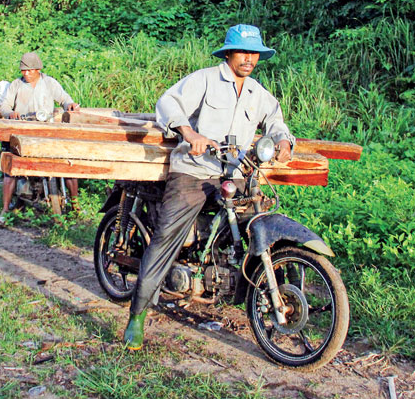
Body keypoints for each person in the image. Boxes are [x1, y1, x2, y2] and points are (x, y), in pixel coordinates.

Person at [123, 25, 294, 349]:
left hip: (234, 173)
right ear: (228, 53)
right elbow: (168, 104)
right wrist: (190, 134)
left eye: (254, 52)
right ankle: (137, 314)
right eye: (243, 52)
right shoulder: (204, 80)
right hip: (194, 171)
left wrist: (283, 139)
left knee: (256, 220)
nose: (249, 58)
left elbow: (275, 118)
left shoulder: (257, 93)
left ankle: (251, 289)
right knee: (165, 238)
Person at [0, 51, 81, 227]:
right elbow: (4, 105)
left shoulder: (49, 83)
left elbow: (64, 99)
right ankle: (4, 210)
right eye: (23, 71)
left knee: (69, 165)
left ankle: (75, 206)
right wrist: (10, 113)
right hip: (22, 131)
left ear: (38, 69)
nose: (26, 74)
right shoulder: (16, 85)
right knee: (10, 169)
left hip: (45, 131)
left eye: (29, 71)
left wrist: (70, 105)